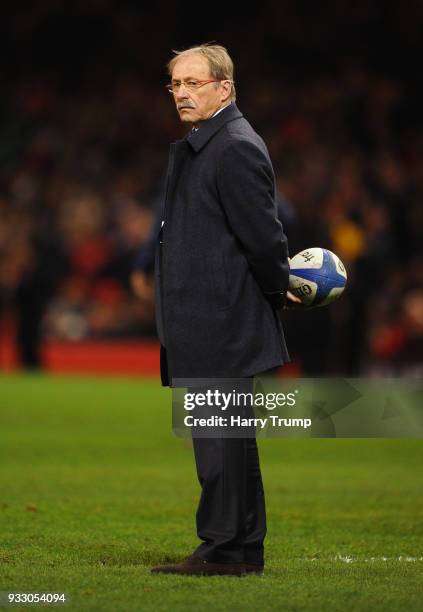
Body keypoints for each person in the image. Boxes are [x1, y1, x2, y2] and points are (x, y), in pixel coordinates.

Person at [149, 44, 299, 577]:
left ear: (224, 88)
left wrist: (279, 286)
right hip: (208, 315)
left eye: (194, 83)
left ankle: (223, 547)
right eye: (176, 85)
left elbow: (263, 234)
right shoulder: (209, 144)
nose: (183, 93)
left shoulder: (232, 146)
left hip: (222, 317)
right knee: (226, 442)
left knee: (220, 442)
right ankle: (237, 548)